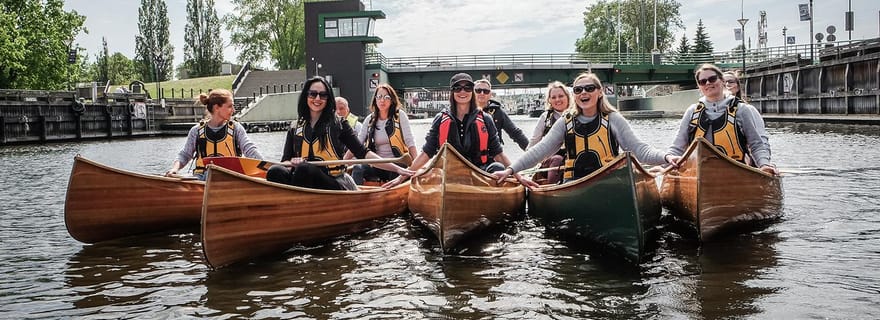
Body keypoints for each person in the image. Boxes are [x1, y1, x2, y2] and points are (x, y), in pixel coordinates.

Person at [492, 72, 673, 188]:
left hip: (608, 182)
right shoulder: (565, 122)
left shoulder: (613, 119)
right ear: (575, 95)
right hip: (575, 184)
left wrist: (666, 157)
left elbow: (639, 150)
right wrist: (510, 170)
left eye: (589, 88)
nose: (583, 93)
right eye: (578, 90)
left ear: (600, 92)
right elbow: (539, 151)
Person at [265, 77, 413, 190]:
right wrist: (291, 163)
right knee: (274, 171)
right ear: (306, 96)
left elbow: (363, 153)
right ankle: (291, 210)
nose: (317, 99)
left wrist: (397, 168)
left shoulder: (339, 124)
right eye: (313, 94)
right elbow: (284, 162)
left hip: (333, 182)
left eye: (323, 95)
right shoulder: (295, 127)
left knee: (305, 169)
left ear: (328, 98)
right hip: (303, 180)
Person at [383, 73, 517, 188]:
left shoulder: (486, 119)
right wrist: (402, 176)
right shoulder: (441, 118)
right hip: (449, 172)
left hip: (480, 171)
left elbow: (498, 154)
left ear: (472, 91)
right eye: (458, 88)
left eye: (467, 87)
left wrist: (516, 173)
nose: (463, 92)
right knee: (428, 174)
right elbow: (427, 153)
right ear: (452, 92)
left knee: (498, 168)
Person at [666, 64, 777, 175]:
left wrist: (764, 165)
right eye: (703, 81)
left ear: (722, 81)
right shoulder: (692, 111)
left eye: (712, 79)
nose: (708, 83)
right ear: (699, 86)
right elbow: (677, 147)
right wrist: (665, 166)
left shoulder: (742, 110)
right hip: (697, 174)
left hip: (735, 174)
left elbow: (756, 144)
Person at [164, 88, 263, 180]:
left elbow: (250, 150)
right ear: (216, 108)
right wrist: (174, 169)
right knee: (207, 175)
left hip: (230, 177)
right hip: (202, 178)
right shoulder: (196, 131)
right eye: (230, 106)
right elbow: (185, 155)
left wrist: (265, 167)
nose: (233, 110)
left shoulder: (236, 129)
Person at [348, 83, 419, 185]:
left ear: (392, 100)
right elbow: (357, 143)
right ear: (375, 100)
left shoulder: (400, 116)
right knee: (358, 168)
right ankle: (357, 196)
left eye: (386, 97)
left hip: (397, 162)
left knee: (397, 171)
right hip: (377, 165)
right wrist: (343, 162)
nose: (382, 100)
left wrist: (416, 164)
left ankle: (391, 194)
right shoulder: (369, 119)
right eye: (379, 97)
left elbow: (410, 141)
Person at [526, 81, 572, 184]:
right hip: (551, 160)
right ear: (549, 100)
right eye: (554, 97)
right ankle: (553, 189)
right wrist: (526, 162)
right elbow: (534, 141)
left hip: (573, 159)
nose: (557, 100)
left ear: (568, 97)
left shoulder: (576, 115)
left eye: (561, 96)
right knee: (557, 159)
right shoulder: (545, 117)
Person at [473, 79, 529, 151]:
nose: (482, 93)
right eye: (478, 90)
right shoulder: (466, 111)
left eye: (486, 91)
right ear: (472, 93)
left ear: (490, 95)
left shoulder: (497, 112)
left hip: (493, 155)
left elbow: (515, 133)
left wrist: (531, 152)